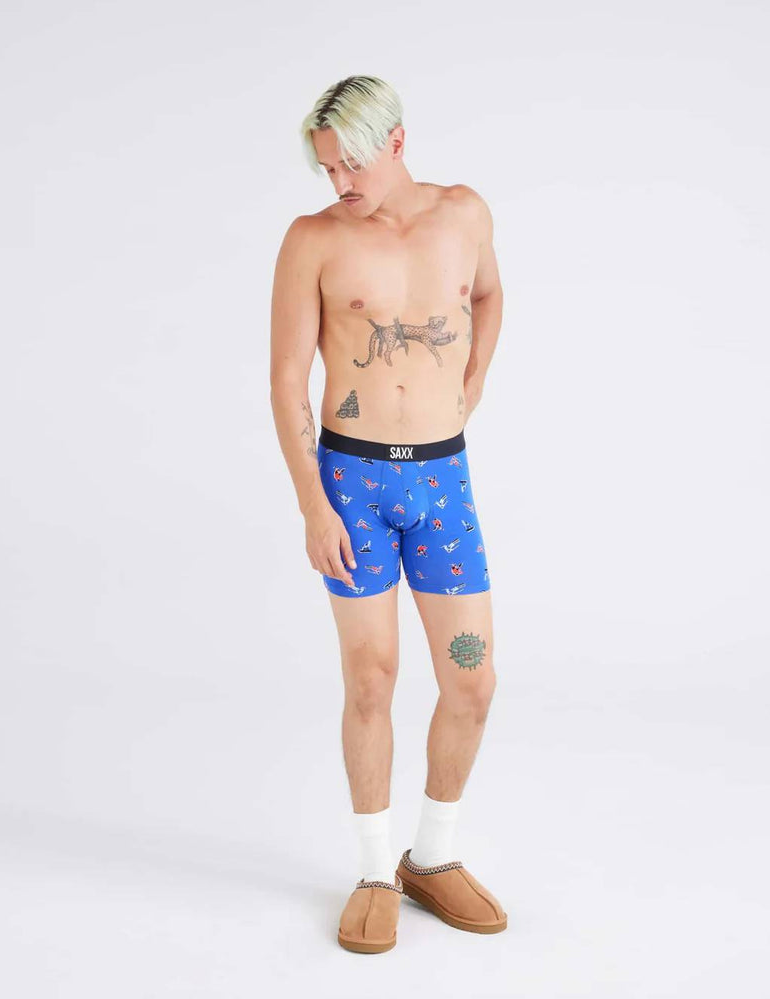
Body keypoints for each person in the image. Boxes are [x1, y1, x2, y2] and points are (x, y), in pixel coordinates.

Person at [269, 74, 507, 953]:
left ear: (397, 142)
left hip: (442, 481)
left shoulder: (465, 214)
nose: (339, 183)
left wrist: (472, 383)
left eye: (351, 165)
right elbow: (286, 378)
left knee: (471, 680)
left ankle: (432, 857)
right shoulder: (313, 240)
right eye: (327, 169)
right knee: (371, 679)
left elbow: (488, 296)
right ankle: (374, 870)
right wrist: (312, 504)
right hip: (353, 486)